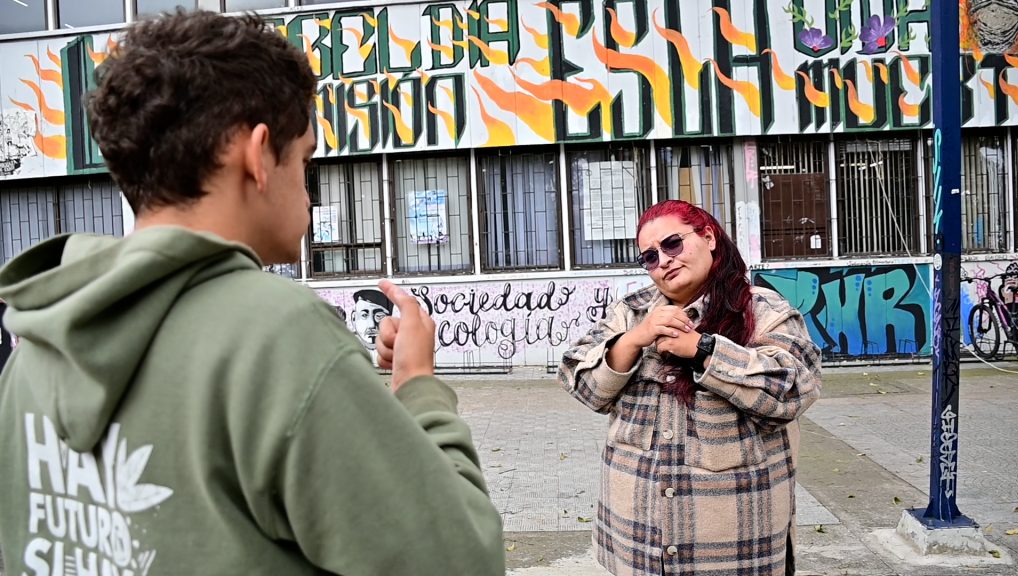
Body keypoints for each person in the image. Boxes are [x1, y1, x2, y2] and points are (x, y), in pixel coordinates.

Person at [0, 10, 504, 576]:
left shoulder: (34, 344)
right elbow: (459, 559)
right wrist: (417, 385)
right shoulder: (278, 335)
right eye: (306, 159)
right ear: (259, 154)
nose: (309, 192)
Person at [558, 200, 822, 576]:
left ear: (709, 238)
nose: (663, 260)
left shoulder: (762, 310)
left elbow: (797, 386)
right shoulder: (630, 313)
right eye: (649, 256)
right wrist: (634, 339)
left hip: (731, 546)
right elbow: (581, 383)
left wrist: (702, 350)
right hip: (638, 543)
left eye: (672, 244)